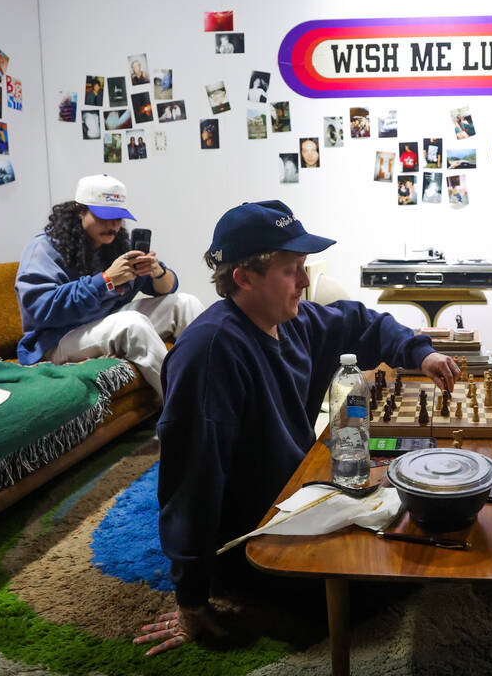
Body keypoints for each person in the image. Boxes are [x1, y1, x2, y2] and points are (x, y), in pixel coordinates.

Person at [134, 200, 459, 654]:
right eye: (292, 270)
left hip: (298, 493)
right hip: (251, 539)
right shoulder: (209, 353)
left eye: (303, 267)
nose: (306, 282)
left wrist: (418, 350)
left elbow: (359, 321)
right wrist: (191, 598)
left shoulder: (293, 321)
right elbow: (191, 480)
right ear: (244, 278)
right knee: (385, 574)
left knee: (420, 511)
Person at [14, 174, 204, 395]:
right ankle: (188, 411)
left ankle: (220, 387)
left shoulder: (117, 244)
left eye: (118, 218)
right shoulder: (44, 249)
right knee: (132, 323)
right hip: (55, 340)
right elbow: (40, 310)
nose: (113, 225)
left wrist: (157, 272)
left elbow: (167, 287)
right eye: (103, 217)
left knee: (185, 302)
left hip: (102, 322)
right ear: (79, 210)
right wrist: (105, 281)